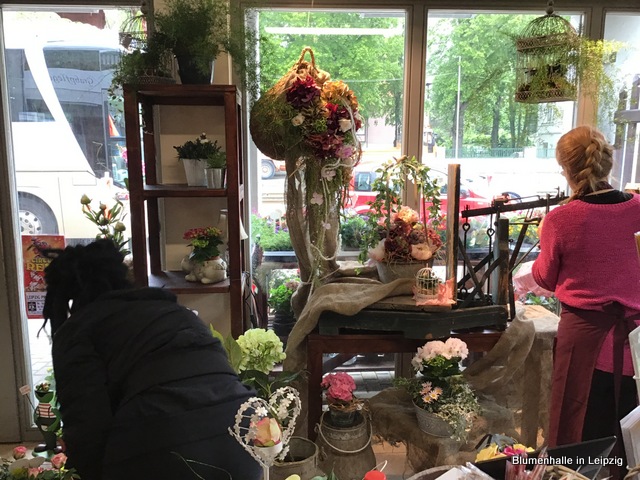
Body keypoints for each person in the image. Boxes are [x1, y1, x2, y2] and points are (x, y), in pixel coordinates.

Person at [42, 239, 262, 480]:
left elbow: (87, 427)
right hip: (245, 430)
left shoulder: (79, 331)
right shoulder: (175, 312)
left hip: (160, 441)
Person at [532, 125, 640, 475]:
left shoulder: (561, 220)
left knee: (577, 439)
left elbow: (545, 277)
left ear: (566, 169)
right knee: (632, 441)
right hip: (636, 344)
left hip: (584, 343)